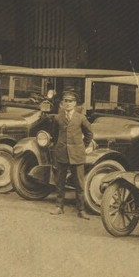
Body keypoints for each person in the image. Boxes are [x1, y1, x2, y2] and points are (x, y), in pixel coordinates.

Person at [50, 90, 93, 219]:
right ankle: (59, 207)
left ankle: (81, 210)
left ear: (75, 104)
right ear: (62, 103)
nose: (68, 104)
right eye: (65, 101)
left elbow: (89, 134)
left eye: (70, 101)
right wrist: (59, 146)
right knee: (60, 182)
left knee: (79, 183)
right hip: (62, 154)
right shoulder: (58, 117)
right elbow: (54, 135)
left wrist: (82, 147)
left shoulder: (81, 118)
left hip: (77, 155)